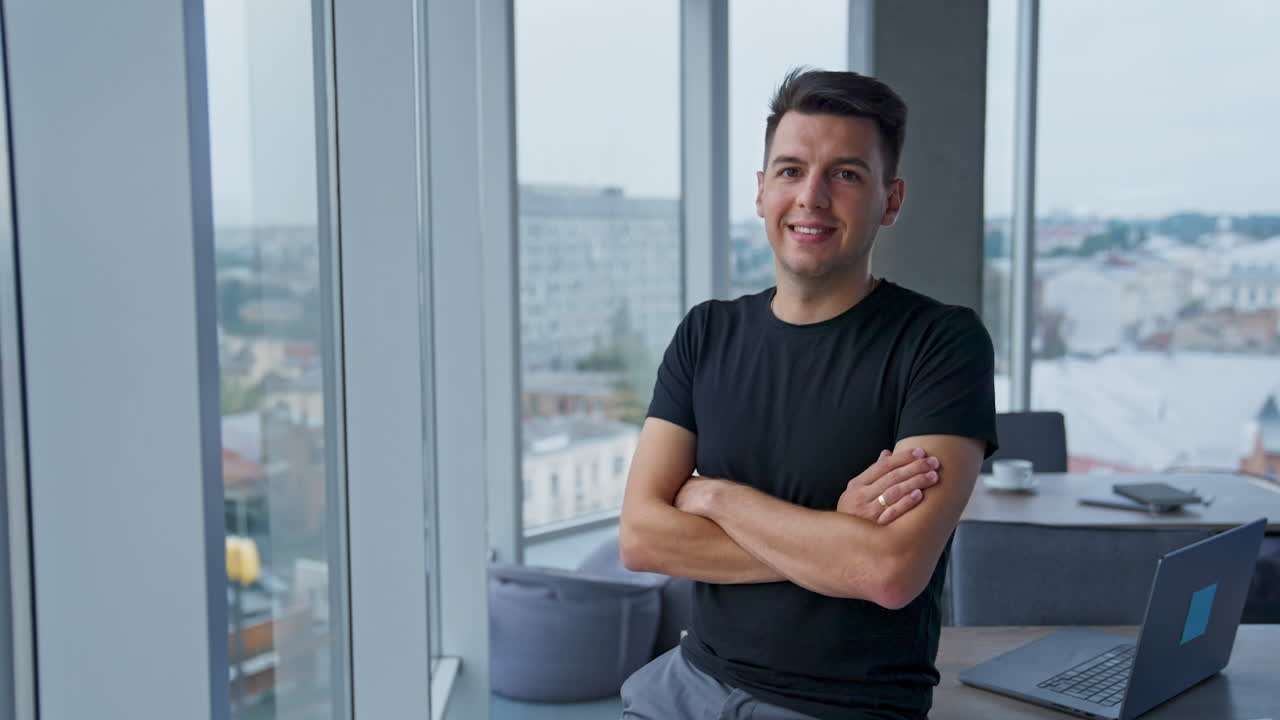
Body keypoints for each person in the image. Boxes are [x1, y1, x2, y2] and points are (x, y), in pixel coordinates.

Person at [617, 68, 998, 720]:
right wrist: (837, 540)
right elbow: (643, 538)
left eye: (846, 174)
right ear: (762, 190)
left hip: (842, 707)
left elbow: (888, 572)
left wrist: (714, 496)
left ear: (892, 199)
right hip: (685, 683)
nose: (812, 196)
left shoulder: (941, 343)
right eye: (790, 171)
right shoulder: (706, 332)